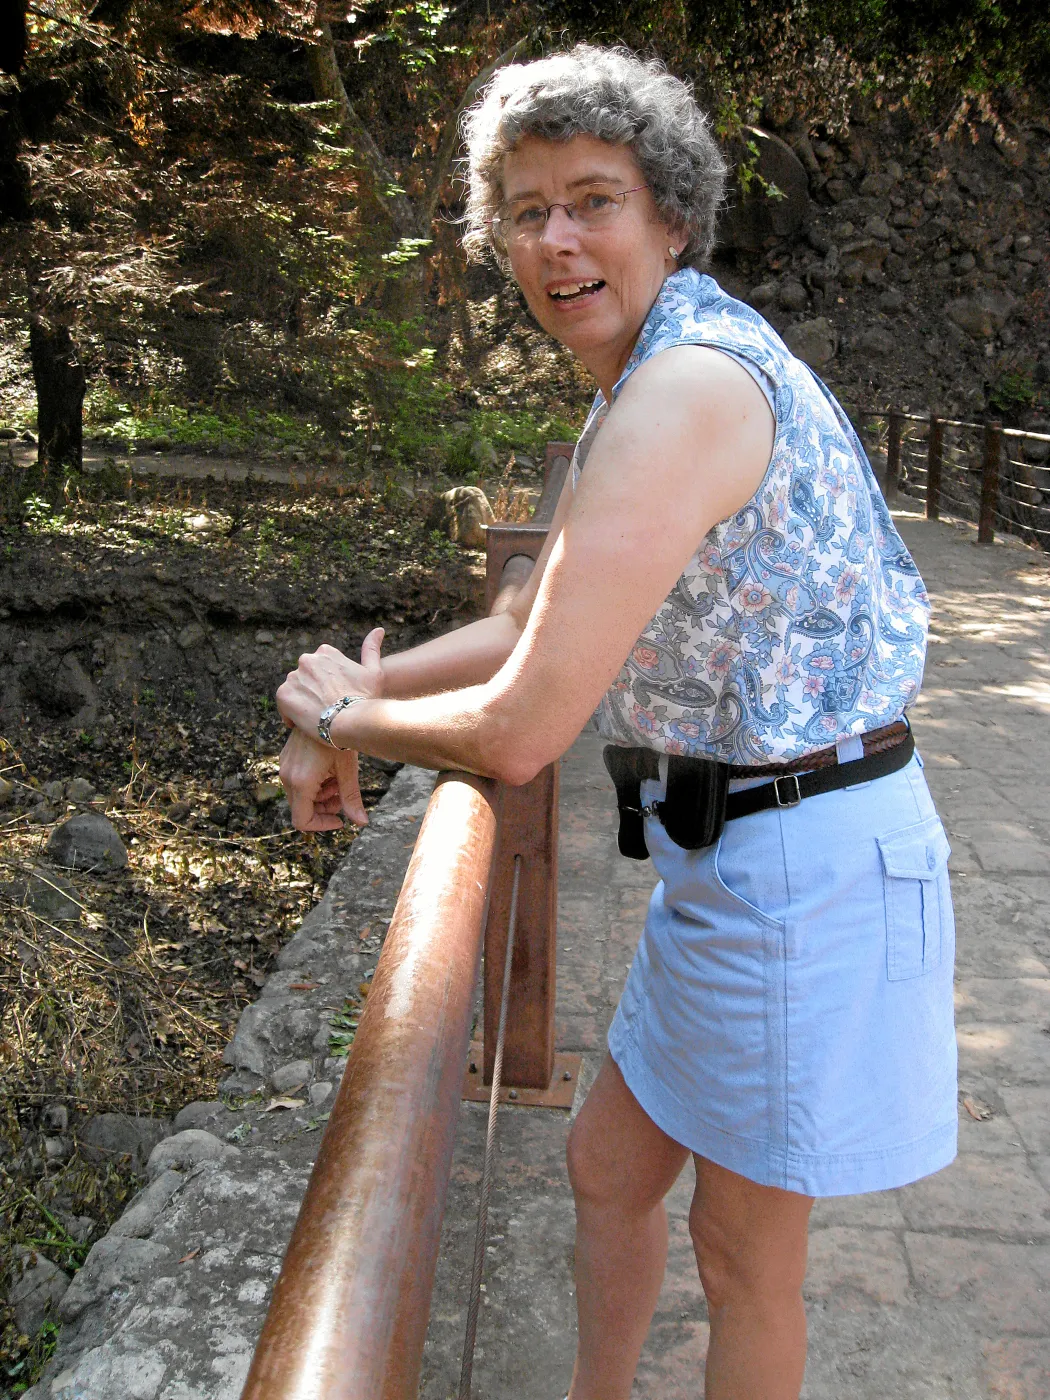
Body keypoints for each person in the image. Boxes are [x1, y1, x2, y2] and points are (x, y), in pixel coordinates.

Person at [276, 45, 957, 1400]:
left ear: (671, 217)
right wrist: (369, 687)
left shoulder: (682, 394)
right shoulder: (647, 376)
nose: (557, 239)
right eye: (525, 210)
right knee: (605, 1168)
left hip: (799, 874)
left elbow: (525, 726)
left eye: (593, 199)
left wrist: (351, 718)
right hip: (740, 859)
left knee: (745, 1255)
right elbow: (535, 613)